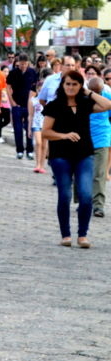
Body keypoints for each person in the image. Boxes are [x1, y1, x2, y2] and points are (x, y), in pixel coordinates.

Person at [41, 70, 111, 247]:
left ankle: (82, 235)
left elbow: (107, 105)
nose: (70, 87)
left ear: (80, 86)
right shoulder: (54, 105)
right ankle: (66, 234)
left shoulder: (85, 103)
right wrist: (64, 135)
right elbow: (45, 132)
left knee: (86, 195)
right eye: (67, 84)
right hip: (60, 156)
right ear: (62, 85)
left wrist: (89, 92)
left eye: (75, 84)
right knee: (64, 195)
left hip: (84, 155)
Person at [88, 75, 111, 218]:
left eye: (98, 91)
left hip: (102, 138)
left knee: (99, 174)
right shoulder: (82, 98)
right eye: (93, 91)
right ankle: (84, 201)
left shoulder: (107, 97)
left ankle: (98, 206)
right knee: (82, 173)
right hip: (84, 138)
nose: (96, 93)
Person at [6, 54, 37, 160]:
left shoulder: (32, 72)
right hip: (17, 105)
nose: (23, 66)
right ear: (18, 62)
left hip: (29, 105)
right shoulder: (13, 72)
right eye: (21, 64)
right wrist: (12, 102)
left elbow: (35, 87)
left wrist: (32, 101)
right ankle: (19, 150)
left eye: (25, 64)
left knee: (29, 129)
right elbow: (8, 87)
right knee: (18, 129)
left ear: (28, 63)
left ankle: (30, 150)